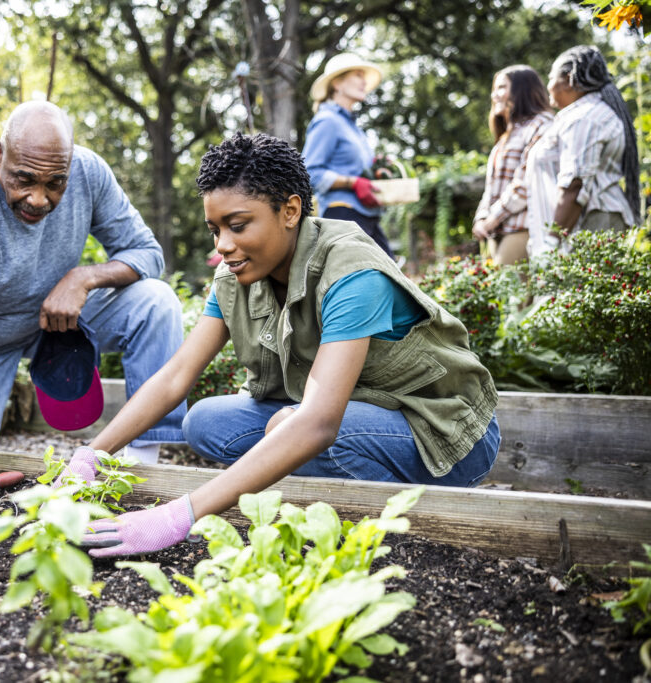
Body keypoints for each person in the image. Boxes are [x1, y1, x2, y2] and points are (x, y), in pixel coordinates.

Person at [64, 133, 500, 558]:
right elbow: (177, 376)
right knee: (205, 422)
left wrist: (181, 514)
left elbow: (318, 424)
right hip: (353, 412)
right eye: (215, 229)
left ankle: (398, 523)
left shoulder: (351, 269)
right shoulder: (236, 277)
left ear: (290, 210)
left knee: (302, 432)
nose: (223, 246)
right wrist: (92, 453)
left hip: (442, 433)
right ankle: (319, 487)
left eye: (237, 226)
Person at [0, 101, 186, 517]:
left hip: (55, 320)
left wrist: (83, 277)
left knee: (156, 302)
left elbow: (146, 253)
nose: (39, 198)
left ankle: (144, 465)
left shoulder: (89, 172)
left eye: (56, 183)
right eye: (24, 180)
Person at [526, 45, 639, 256]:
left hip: (591, 223)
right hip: (589, 223)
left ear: (568, 80)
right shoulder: (587, 114)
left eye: (551, 78)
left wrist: (552, 242)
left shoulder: (584, 119)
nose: (548, 86)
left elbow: (574, 184)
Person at [301, 52, 394, 258]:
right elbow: (308, 174)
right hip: (342, 215)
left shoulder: (352, 127)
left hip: (366, 216)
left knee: (391, 276)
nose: (364, 82)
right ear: (337, 84)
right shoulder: (327, 121)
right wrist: (352, 183)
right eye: (358, 75)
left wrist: (377, 172)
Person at [472, 66, 554, 265]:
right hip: (497, 229)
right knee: (498, 293)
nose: (495, 95)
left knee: (511, 294)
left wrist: (493, 219)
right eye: (495, 89)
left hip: (523, 227)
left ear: (522, 90)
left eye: (501, 88)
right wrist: (481, 218)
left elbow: (525, 182)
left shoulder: (540, 125)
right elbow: (492, 188)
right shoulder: (506, 135)